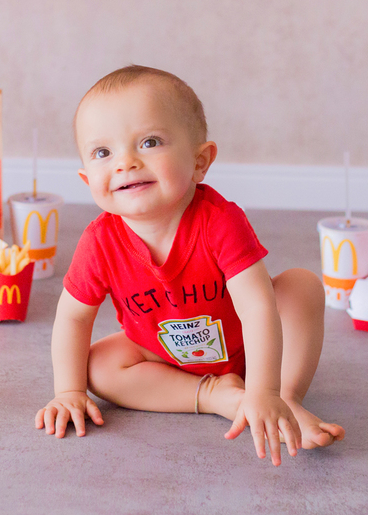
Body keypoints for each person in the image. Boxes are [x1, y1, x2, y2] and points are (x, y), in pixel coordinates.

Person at [34, 65, 344, 465]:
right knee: (97, 366)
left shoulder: (220, 221)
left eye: (149, 142)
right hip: (164, 357)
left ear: (200, 162)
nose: (125, 162)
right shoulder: (99, 242)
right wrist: (68, 391)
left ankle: (283, 399)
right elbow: (73, 318)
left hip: (251, 349)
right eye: (103, 153)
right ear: (86, 179)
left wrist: (265, 390)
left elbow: (257, 307)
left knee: (301, 286)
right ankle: (216, 397)